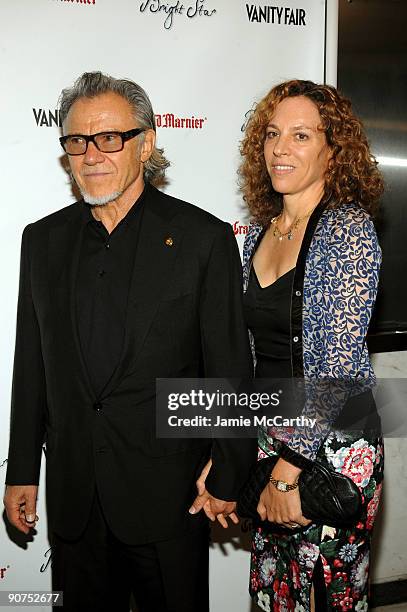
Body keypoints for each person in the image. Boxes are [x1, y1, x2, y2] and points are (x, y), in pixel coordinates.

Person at [3, 71, 255, 612]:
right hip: (76, 499)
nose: (91, 154)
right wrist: (21, 470)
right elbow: (32, 365)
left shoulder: (201, 239)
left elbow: (228, 368)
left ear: (146, 143)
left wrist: (230, 468)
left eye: (109, 138)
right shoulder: (41, 241)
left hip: (170, 496)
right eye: (76, 141)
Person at [239, 79, 384, 611]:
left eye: (301, 135)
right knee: (278, 596)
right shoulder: (257, 234)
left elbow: (340, 367)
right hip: (270, 444)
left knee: (325, 597)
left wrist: (288, 468)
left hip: (327, 456)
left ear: (333, 149)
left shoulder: (347, 231)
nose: (281, 148)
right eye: (273, 134)